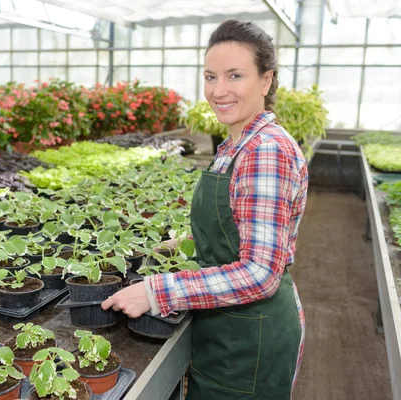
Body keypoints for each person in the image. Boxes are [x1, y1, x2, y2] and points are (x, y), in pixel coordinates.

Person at [102, 19, 308, 399]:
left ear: (266, 81)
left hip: (252, 339)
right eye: (210, 77)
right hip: (230, 326)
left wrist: (156, 290)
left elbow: (260, 273)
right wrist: (183, 242)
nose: (219, 90)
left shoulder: (266, 151)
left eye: (235, 76)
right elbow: (234, 225)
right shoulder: (236, 144)